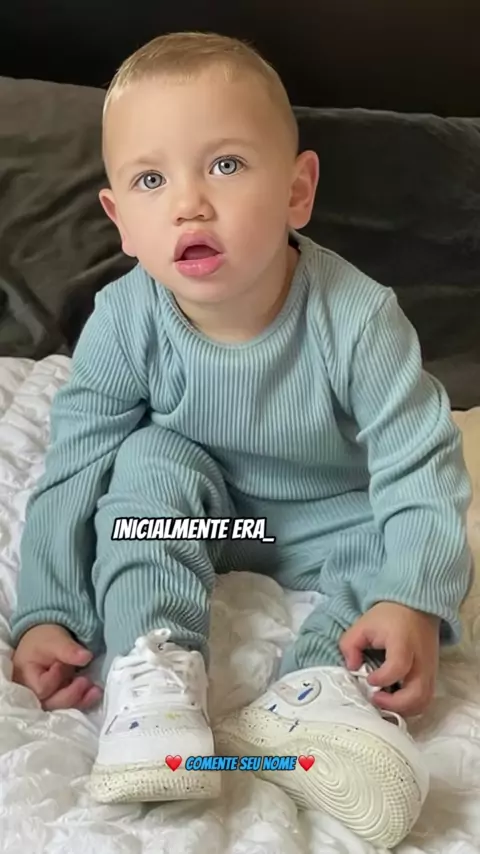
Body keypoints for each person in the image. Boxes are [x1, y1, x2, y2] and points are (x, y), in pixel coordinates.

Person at [9, 31, 472, 848]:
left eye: (225, 165)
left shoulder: (357, 316)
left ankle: (317, 688)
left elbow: (419, 461)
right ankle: (156, 671)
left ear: (297, 191)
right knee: (146, 460)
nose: (189, 203)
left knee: (409, 538)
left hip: (326, 518)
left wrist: (411, 596)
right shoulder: (125, 319)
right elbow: (75, 464)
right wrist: (49, 610)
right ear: (120, 220)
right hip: (204, 511)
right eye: (151, 180)